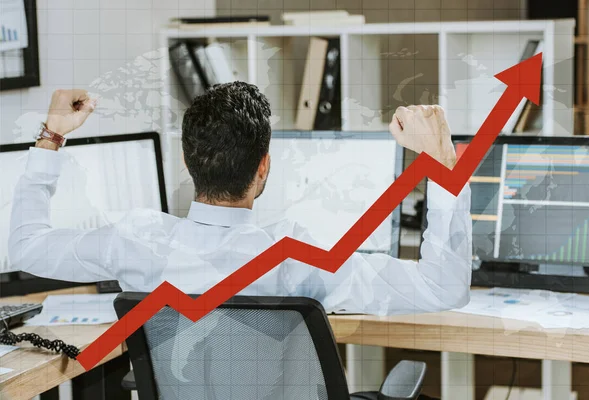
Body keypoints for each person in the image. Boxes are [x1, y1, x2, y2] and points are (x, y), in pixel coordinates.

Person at [9, 83, 472, 315]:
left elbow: (27, 245)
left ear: (189, 164)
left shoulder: (134, 241)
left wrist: (51, 136)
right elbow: (444, 289)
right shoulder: (300, 259)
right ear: (263, 167)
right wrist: (444, 161)